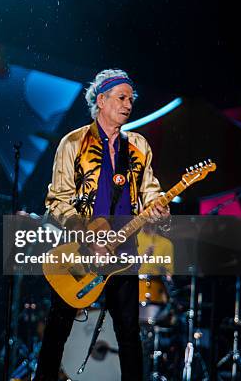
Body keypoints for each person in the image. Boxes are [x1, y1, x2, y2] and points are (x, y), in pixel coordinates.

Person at [34, 69, 169, 381]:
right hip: (80, 249)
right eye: (121, 97)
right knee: (58, 328)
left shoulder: (137, 145)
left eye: (131, 99)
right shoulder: (73, 143)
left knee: (129, 332)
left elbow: (150, 192)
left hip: (124, 249)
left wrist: (159, 206)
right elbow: (56, 201)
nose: (128, 104)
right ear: (101, 100)